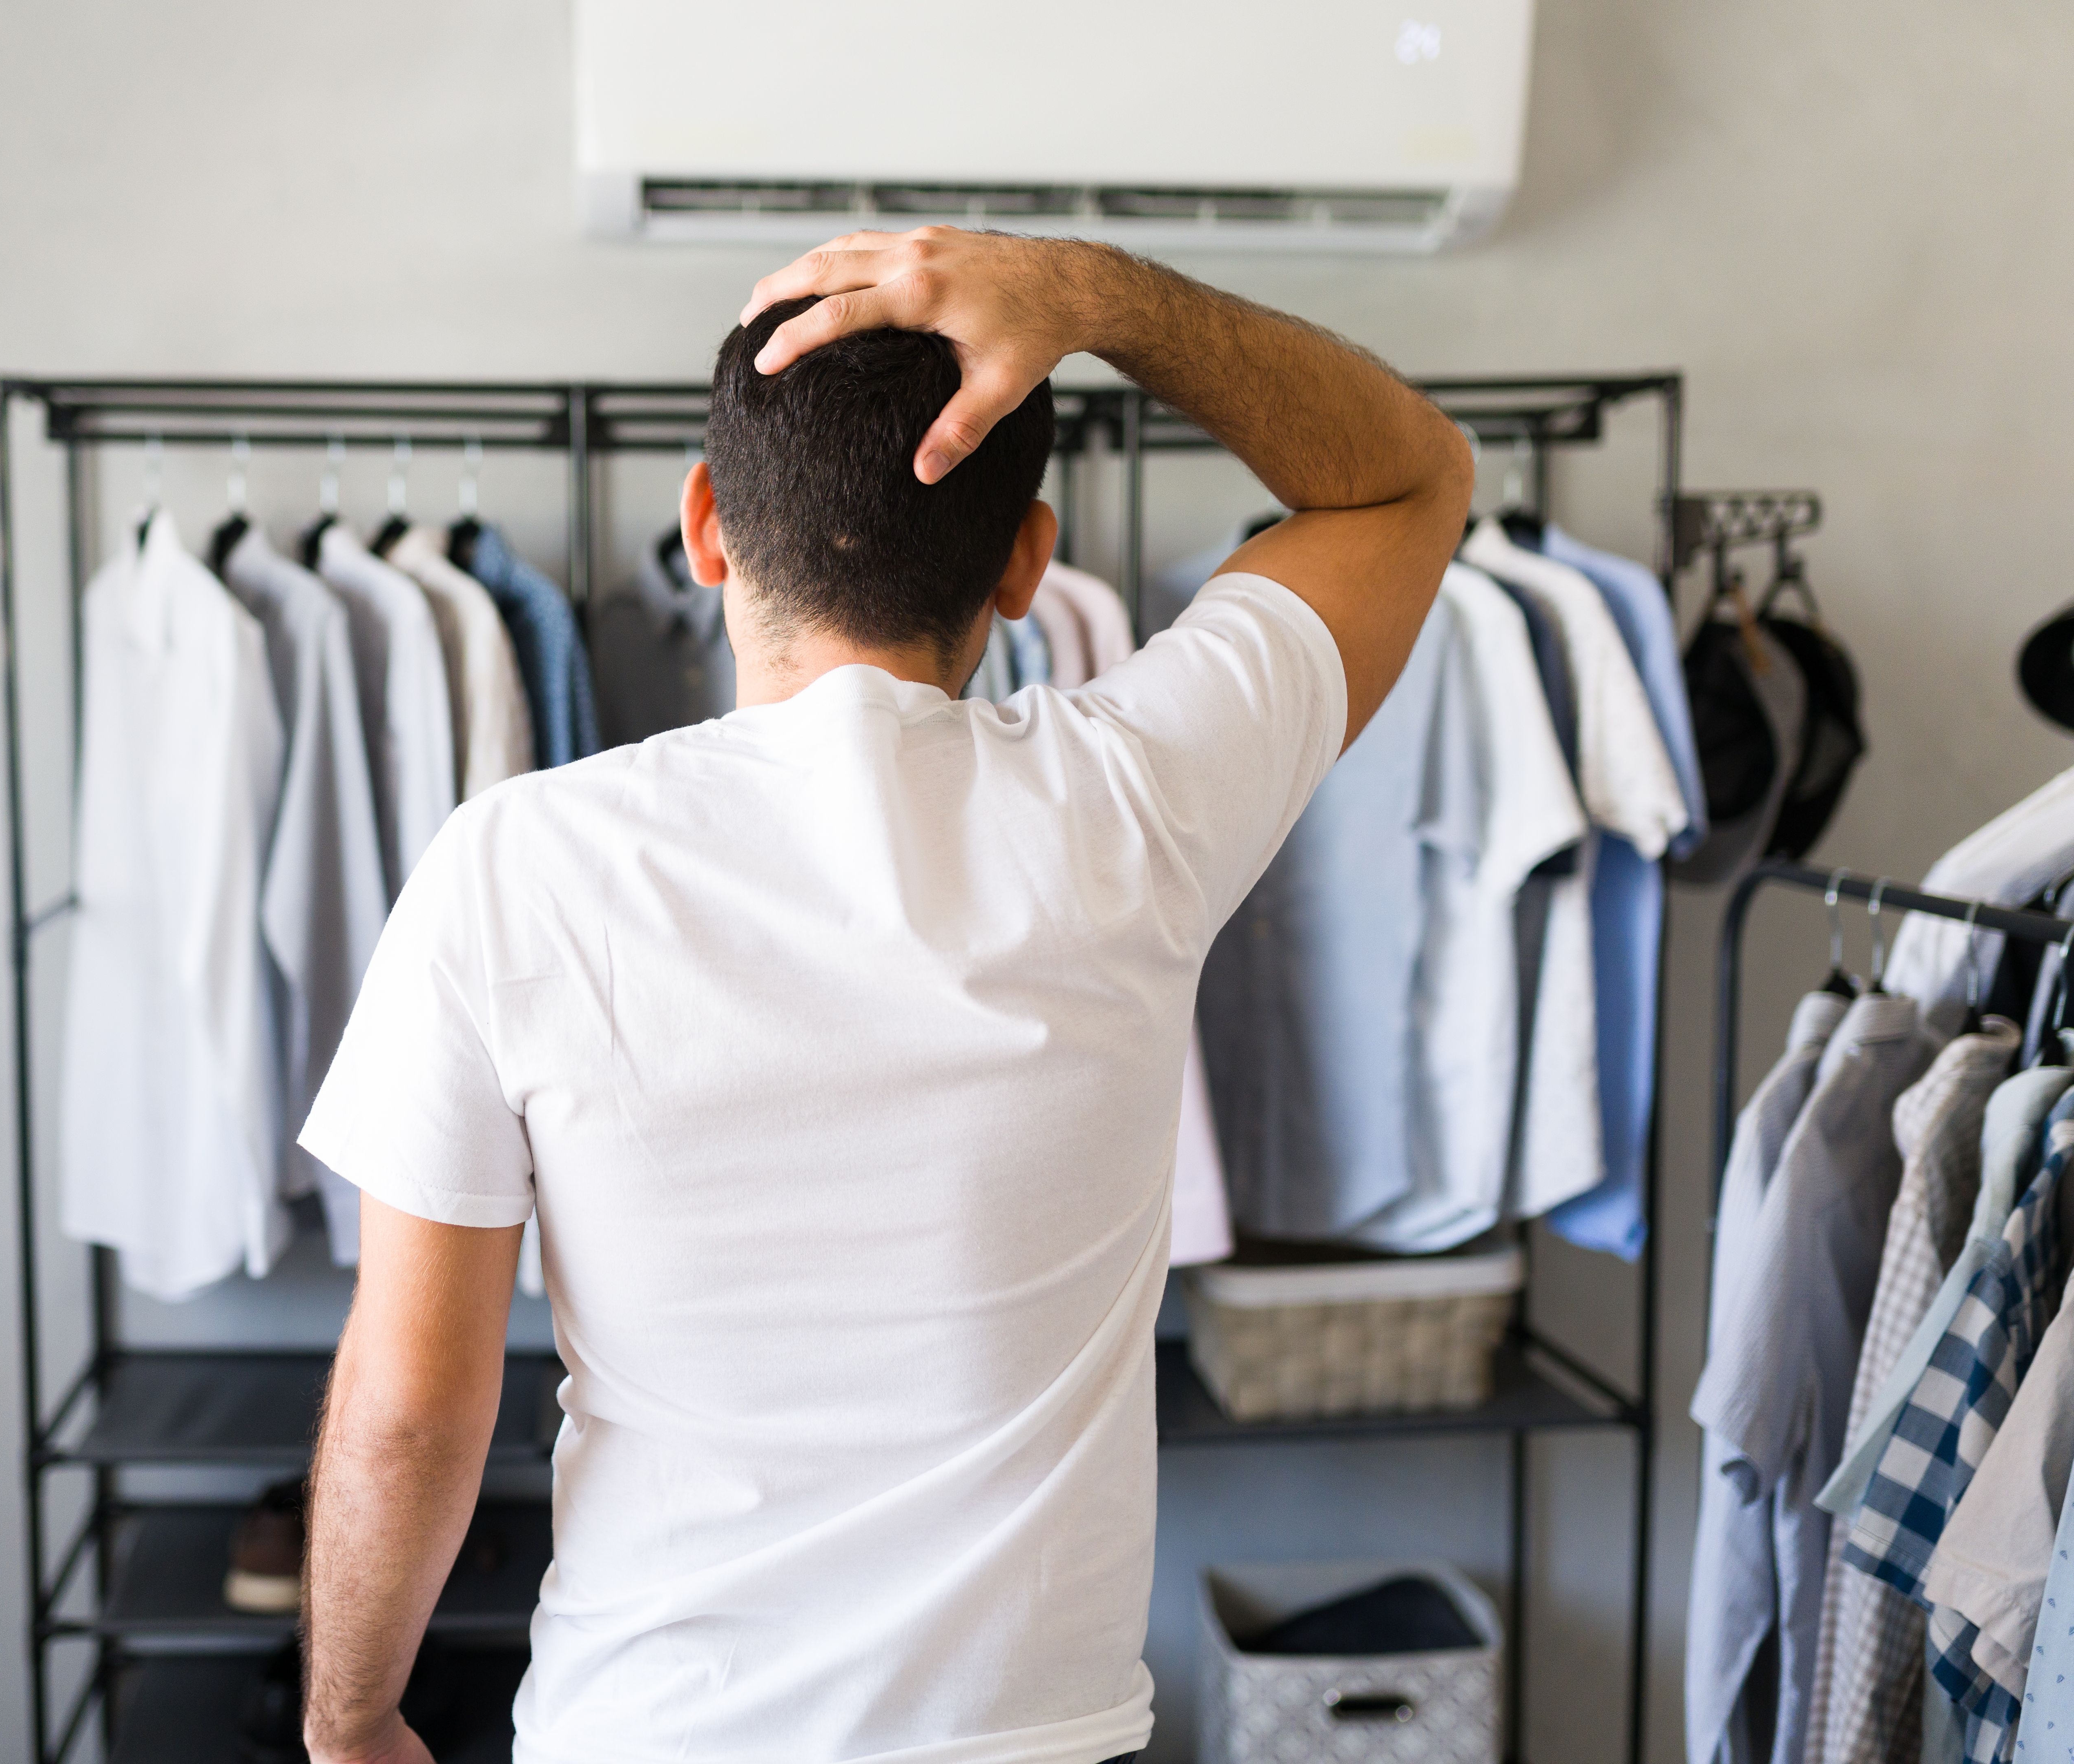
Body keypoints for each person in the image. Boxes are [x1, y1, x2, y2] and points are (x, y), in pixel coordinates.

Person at [297, 228, 1471, 1764]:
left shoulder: (515, 865)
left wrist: (351, 1716)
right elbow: (1407, 480)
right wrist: (1101, 298)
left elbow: (410, 1407)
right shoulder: (1141, 804)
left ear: (706, 528)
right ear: (1032, 562)